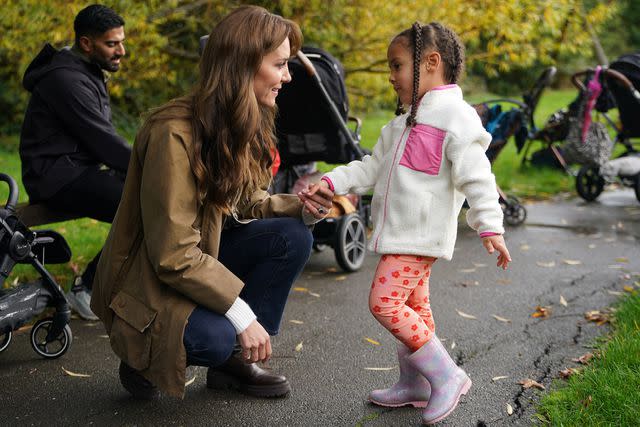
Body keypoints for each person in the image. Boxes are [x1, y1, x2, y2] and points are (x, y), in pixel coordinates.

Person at [90, 5, 333, 400]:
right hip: (148, 283)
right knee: (218, 337)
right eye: (280, 65)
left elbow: (247, 200)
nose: (288, 76)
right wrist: (241, 314)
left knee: (293, 236)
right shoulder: (174, 134)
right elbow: (172, 254)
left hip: (196, 261)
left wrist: (302, 208)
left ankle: (235, 364)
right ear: (244, 64)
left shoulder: (242, 118)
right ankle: (142, 357)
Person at [300, 22, 511, 424]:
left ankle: (447, 375)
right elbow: (372, 167)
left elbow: (478, 177)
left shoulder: (456, 118)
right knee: (416, 306)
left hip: (419, 236)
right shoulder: (402, 123)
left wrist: (490, 226)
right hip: (402, 234)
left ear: (431, 62)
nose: (390, 76)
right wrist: (331, 180)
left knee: (384, 302)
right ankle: (416, 383)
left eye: (396, 66)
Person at [19, 4, 131, 321]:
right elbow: (103, 140)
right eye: (112, 44)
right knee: (141, 202)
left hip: (75, 170)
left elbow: (101, 140)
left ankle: (107, 284)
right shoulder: (65, 79)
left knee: (147, 197)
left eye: (121, 41)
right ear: (86, 43)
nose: (121, 51)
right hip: (54, 176)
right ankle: (87, 289)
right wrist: (156, 164)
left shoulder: (84, 71)